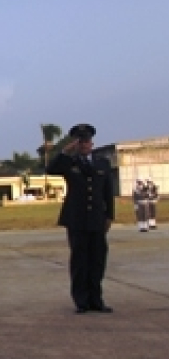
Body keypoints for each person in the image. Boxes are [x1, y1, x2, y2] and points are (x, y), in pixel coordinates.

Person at [46, 124, 115, 314]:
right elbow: (50, 169)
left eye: (86, 141)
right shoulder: (70, 163)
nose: (84, 145)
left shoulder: (102, 164)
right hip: (77, 219)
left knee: (98, 260)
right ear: (75, 144)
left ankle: (96, 299)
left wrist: (109, 215)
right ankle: (81, 301)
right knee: (80, 261)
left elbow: (107, 192)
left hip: (96, 219)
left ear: (92, 143)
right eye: (80, 141)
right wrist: (64, 152)